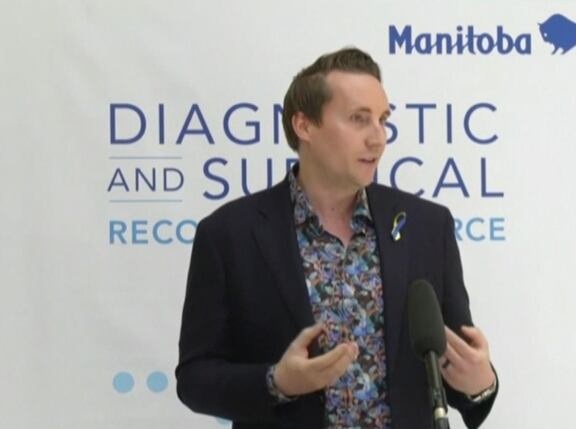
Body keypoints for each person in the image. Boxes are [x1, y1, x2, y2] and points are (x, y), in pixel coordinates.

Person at [176, 47, 498, 429]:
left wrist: (481, 384)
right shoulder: (229, 234)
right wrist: (276, 382)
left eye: (382, 120)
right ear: (305, 126)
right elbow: (195, 379)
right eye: (359, 120)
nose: (378, 138)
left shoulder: (427, 227)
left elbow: (454, 366)